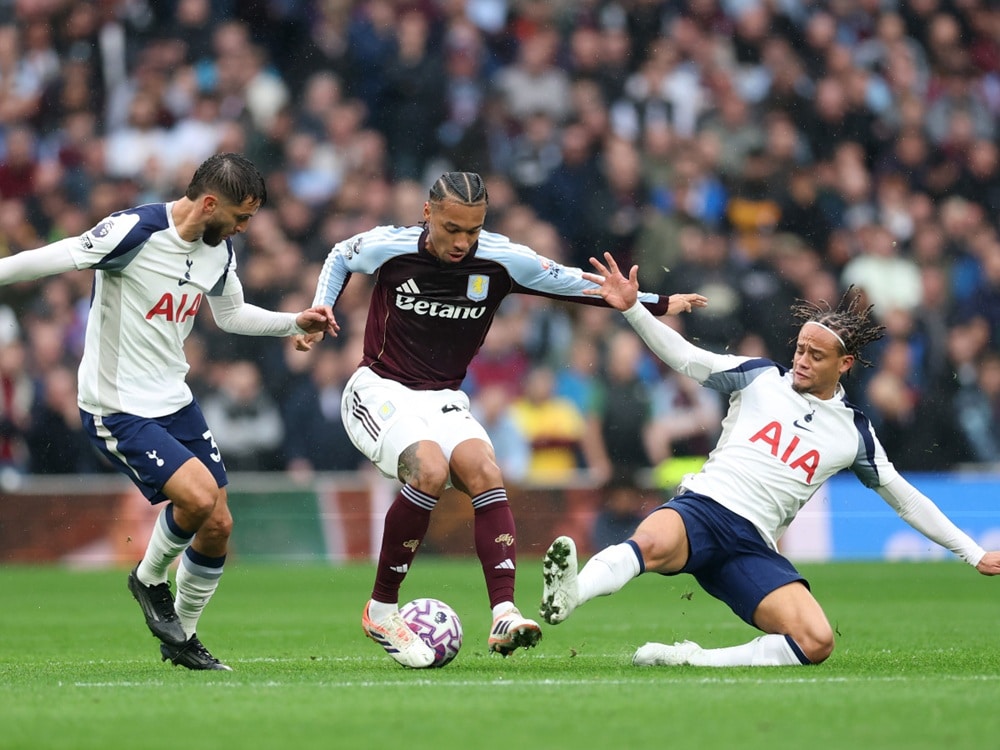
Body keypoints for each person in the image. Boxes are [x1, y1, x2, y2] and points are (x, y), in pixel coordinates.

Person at [296, 172, 706, 668]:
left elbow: (573, 282)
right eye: (452, 228)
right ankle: (382, 609)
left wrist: (655, 302)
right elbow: (341, 253)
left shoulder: (502, 258)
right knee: (429, 469)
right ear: (428, 214)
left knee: (486, 470)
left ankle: (504, 613)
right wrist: (321, 307)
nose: (462, 242)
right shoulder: (391, 246)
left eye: (473, 229)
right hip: (379, 389)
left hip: (444, 397)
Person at [539, 252, 1000, 668]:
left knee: (816, 641)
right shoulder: (760, 377)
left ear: (845, 364)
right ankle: (570, 593)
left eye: (815, 356)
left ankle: (691, 660)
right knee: (651, 542)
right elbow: (685, 357)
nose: (800, 361)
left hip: (753, 544)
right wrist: (633, 309)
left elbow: (905, 499)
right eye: (799, 348)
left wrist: (973, 552)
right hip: (705, 508)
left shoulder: (853, 431)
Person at [0, 152, 336, 670]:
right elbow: (55, 257)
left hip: (174, 400)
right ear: (208, 204)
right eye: (241, 217)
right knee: (198, 497)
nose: (246, 228)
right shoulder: (133, 231)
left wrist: (294, 322)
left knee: (219, 523)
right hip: (117, 405)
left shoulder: (217, 253)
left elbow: (231, 315)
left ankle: (182, 640)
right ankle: (149, 577)